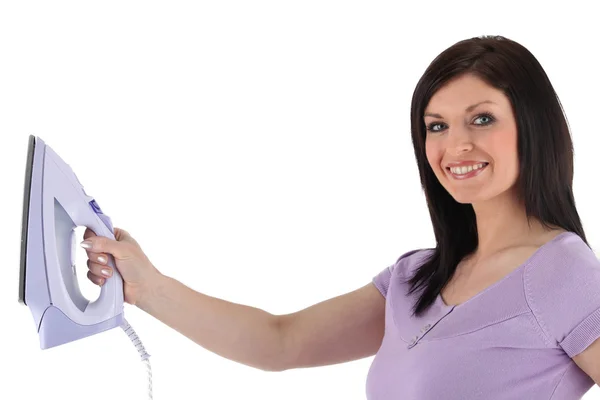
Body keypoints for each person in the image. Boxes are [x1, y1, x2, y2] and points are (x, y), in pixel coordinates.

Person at [81, 35, 600, 399]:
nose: (455, 144)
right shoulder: (414, 277)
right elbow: (278, 341)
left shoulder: (563, 272)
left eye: (481, 119)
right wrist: (145, 286)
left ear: (534, 128)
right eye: (436, 125)